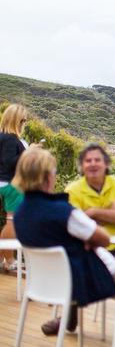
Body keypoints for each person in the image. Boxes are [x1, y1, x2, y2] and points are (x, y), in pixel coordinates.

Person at [12, 148, 115, 335]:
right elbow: (105, 239)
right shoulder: (63, 211)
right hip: (77, 282)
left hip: (44, 283)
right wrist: (87, 240)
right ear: (47, 177)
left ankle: (67, 318)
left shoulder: (20, 214)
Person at [65, 143, 115, 252]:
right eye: (88, 161)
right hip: (90, 247)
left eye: (97, 160)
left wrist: (93, 213)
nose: (93, 164)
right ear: (82, 166)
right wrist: (113, 210)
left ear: (106, 164)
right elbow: (76, 226)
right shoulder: (72, 190)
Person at [0, 104, 30, 272]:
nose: (24, 123)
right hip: (11, 184)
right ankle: (10, 260)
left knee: (7, 222)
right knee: (11, 221)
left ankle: (1, 259)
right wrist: (29, 152)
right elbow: (10, 161)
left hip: (2, 183)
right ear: (16, 120)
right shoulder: (12, 139)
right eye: (23, 120)